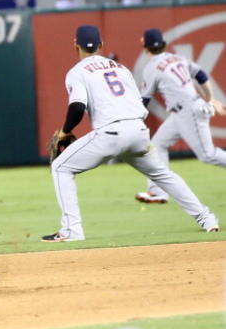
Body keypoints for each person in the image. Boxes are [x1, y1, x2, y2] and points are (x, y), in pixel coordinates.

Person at [42, 25, 219, 242]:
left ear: (75, 45)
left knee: (61, 167)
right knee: (163, 175)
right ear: (101, 45)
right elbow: (139, 104)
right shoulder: (120, 67)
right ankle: (207, 218)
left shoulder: (77, 72)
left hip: (110, 134)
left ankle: (72, 230)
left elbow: (77, 107)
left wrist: (65, 130)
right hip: (138, 130)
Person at [135, 28, 226, 204]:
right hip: (181, 112)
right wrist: (211, 98)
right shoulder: (177, 58)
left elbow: (144, 101)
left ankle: (158, 191)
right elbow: (201, 75)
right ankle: (158, 191)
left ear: (145, 47)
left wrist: (132, 120)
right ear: (163, 44)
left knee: (208, 155)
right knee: (157, 145)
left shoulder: (152, 67)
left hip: (189, 110)